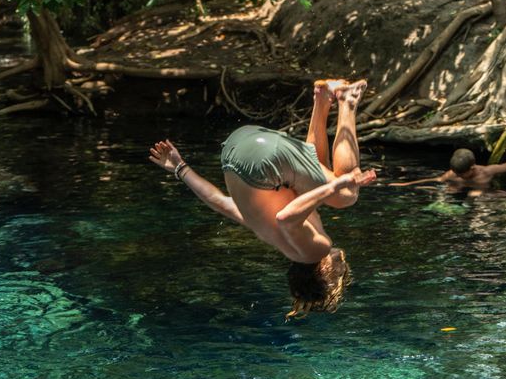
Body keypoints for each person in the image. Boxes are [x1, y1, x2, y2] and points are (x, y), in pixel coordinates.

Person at [149, 79, 377, 317]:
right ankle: (321, 98)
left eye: (339, 274)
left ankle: (347, 100)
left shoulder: (316, 250)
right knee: (316, 180)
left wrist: (338, 186)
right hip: (235, 147)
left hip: (263, 161)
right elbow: (219, 202)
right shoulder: (267, 232)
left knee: (345, 195)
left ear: (323, 274)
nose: (342, 267)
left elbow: (287, 217)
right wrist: (179, 167)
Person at [390, 147, 506, 191]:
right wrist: (406, 185)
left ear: (473, 167)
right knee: (445, 191)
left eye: (463, 174)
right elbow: (434, 181)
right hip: (462, 193)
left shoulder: (487, 171)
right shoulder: (453, 174)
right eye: (458, 174)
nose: (461, 176)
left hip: (486, 194)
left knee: (501, 198)